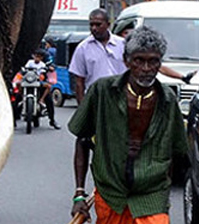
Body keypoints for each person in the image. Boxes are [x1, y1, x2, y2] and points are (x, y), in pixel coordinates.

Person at [68, 26, 188, 224]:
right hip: (111, 193)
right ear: (126, 61)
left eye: (153, 61)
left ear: (160, 63)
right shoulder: (102, 92)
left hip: (151, 197)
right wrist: (79, 194)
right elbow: (82, 139)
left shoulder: (168, 100)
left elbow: (175, 153)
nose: (146, 68)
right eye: (139, 60)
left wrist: (164, 198)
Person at [69, 9, 128, 102]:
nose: (94, 28)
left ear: (108, 25)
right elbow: (79, 82)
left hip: (120, 98)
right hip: (95, 100)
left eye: (98, 24)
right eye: (91, 25)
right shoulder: (83, 48)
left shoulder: (123, 45)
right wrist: (82, 108)